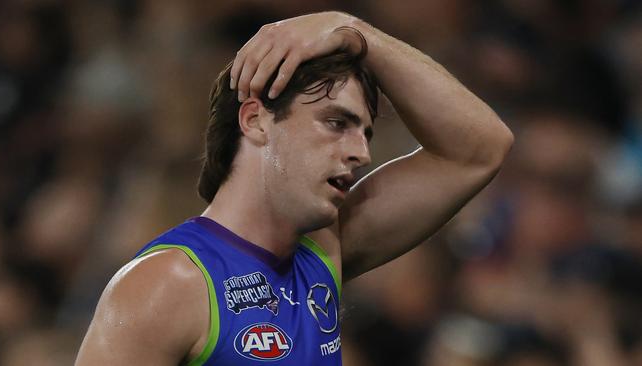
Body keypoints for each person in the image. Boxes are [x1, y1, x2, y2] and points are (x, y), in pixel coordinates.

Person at [75, 11, 513, 366]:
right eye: (336, 123)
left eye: (365, 133)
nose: (361, 152)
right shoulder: (167, 284)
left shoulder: (322, 249)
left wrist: (359, 34)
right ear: (255, 120)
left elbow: (479, 150)